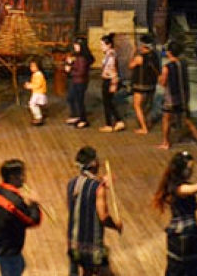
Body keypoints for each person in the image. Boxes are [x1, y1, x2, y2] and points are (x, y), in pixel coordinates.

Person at [152, 151, 197, 276]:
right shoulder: (179, 188)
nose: (191, 171)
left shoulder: (178, 186)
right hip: (183, 237)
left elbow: (188, 208)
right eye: (189, 168)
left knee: (184, 269)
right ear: (180, 170)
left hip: (183, 235)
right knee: (189, 269)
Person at [67, 146, 123, 276]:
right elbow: (103, 217)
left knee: (87, 272)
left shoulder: (71, 184)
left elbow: (75, 206)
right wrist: (116, 225)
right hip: (92, 246)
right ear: (93, 163)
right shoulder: (98, 188)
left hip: (74, 243)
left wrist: (101, 182)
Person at [0, 159, 42, 276]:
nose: (24, 178)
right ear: (13, 177)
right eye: (22, 174)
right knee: (14, 270)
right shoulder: (14, 202)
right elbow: (32, 221)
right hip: (7, 249)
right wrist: (34, 205)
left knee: (20, 265)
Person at [158, 41, 197, 149]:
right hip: (184, 96)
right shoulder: (184, 63)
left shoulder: (167, 67)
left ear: (169, 52)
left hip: (171, 98)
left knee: (166, 119)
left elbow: (163, 83)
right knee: (187, 119)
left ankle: (166, 142)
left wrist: (160, 79)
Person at [128, 35, 161, 134]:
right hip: (151, 84)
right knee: (147, 105)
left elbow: (130, 65)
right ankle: (147, 122)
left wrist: (132, 52)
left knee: (137, 105)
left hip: (140, 85)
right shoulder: (155, 56)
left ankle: (144, 128)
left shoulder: (139, 57)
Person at [64, 38, 94, 129]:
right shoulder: (78, 56)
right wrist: (71, 64)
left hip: (80, 81)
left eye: (77, 45)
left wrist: (70, 70)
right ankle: (76, 115)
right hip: (76, 81)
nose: (75, 47)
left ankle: (83, 119)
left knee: (79, 100)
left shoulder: (82, 58)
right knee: (71, 98)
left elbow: (81, 72)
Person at [98, 34, 124, 133]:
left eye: (102, 45)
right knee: (108, 102)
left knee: (107, 102)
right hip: (107, 79)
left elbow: (113, 70)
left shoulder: (111, 55)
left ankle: (110, 123)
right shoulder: (110, 54)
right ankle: (117, 121)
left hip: (109, 80)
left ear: (108, 45)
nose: (101, 47)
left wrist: (114, 83)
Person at [24, 60, 47, 126]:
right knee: (34, 104)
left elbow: (38, 84)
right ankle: (38, 116)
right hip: (37, 92)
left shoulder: (39, 75)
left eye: (33, 66)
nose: (31, 68)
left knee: (32, 104)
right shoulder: (36, 74)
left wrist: (29, 86)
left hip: (38, 93)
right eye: (31, 66)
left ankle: (38, 117)